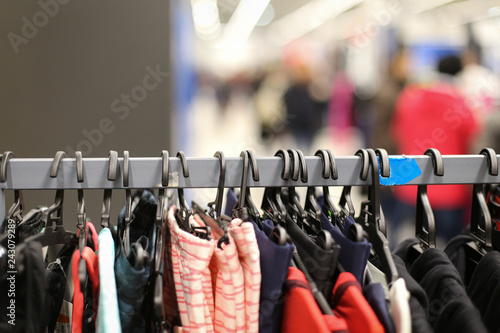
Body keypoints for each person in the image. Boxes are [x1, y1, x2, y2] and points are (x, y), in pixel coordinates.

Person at [390, 55, 480, 247]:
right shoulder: (462, 104)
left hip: (409, 183)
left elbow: (397, 133)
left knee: (408, 253)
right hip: (450, 188)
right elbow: (473, 139)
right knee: (453, 254)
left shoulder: (409, 98)